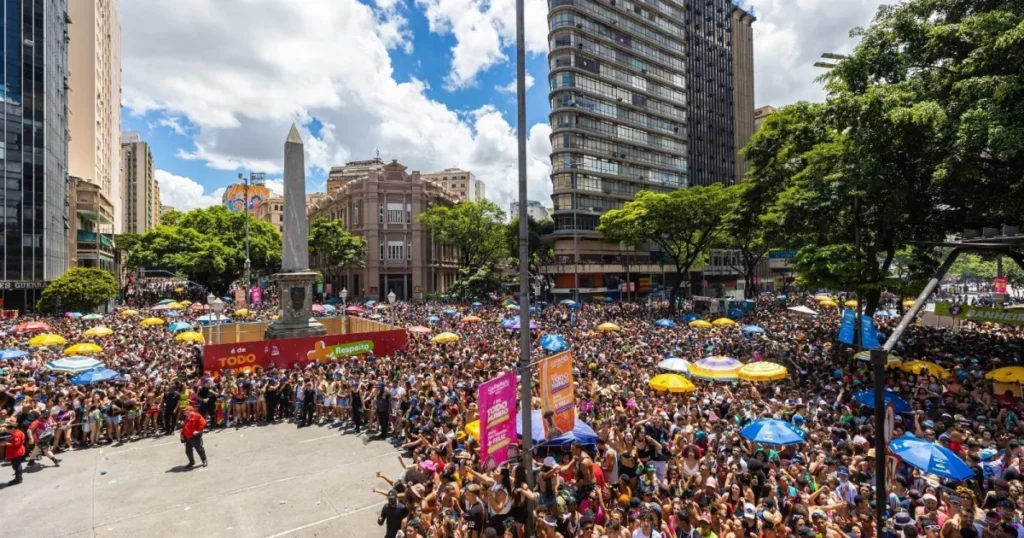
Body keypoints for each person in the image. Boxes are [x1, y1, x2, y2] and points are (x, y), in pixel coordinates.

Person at [1, 417, 26, 485]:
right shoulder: (16, 432)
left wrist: (7, 443)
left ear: (13, 429)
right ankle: (18, 477)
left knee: (16, 466)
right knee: (16, 465)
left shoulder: (17, 434)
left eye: (9, 430)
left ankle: (18, 478)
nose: (8, 431)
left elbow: (17, 443)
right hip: (15, 452)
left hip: (16, 452)